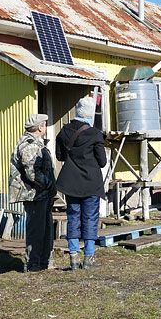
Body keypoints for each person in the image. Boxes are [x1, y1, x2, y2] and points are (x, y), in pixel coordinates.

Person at [55, 96, 107, 270]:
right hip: (91, 183)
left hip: (70, 183)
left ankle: (74, 258)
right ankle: (88, 259)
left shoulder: (64, 131)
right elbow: (102, 162)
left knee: (73, 217)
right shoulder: (95, 134)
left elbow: (60, 156)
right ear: (90, 114)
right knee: (90, 218)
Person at [9, 113, 57, 272]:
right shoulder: (30, 144)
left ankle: (43, 262)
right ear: (39, 127)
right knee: (36, 230)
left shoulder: (36, 143)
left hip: (40, 193)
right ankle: (33, 264)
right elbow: (32, 172)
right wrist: (49, 184)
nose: (45, 127)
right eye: (44, 124)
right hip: (34, 194)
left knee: (45, 228)